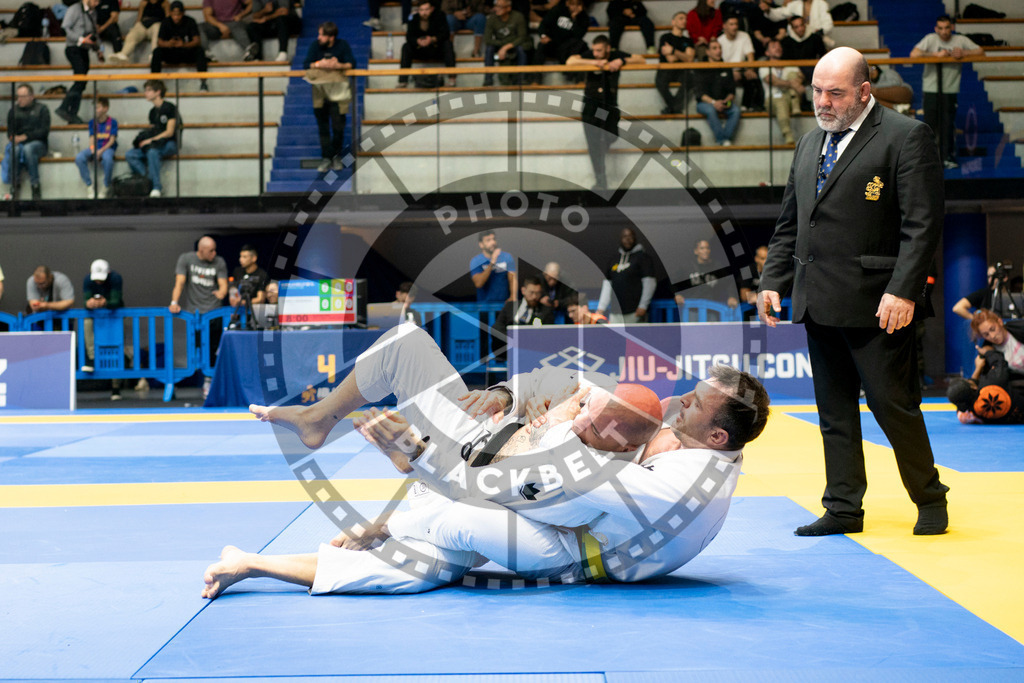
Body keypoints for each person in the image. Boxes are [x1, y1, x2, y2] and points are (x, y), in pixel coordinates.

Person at [206, 325, 769, 596]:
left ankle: (259, 562)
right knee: (404, 344)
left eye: (692, 404)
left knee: (452, 535)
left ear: (716, 435)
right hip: (528, 479)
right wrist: (506, 392)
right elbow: (572, 385)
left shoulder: (669, 492)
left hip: (571, 547)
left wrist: (416, 458)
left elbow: (509, 485)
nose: (678, 402)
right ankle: (318, 419)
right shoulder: (692, 437)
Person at [758, 47, 950, 537]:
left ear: (864, 91)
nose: (823, 102)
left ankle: (930, 499)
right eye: (817, 92)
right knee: (833, 412)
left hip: (879, 304)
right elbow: (791, 225)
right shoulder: (808, 144)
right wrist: (773, 281)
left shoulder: (906, 136)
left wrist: (903, 290)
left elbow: (922, 226)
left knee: (894, 407)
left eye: (835, 93)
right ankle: (843, 507)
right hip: (817, 299)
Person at [567, 35, 645, 191]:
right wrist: (594, 63)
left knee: (611, 135)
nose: (595, 53)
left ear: (608, 49)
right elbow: (570, 61)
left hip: (609, 104)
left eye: (599, 50)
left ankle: (604, 144)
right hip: (590, 105)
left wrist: (621, 61)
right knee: (593, 144)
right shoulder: (591, 56)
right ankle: (600, 180)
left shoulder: (616, 55)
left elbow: (641, 59)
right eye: (594, 50)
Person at [910, 15, 984, 169]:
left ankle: (947, 157)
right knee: (930, 124)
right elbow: (914, 54)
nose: (944, 31)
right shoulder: (930, 39)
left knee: (947, 124)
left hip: (950, 89)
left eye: (947, 28)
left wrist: (964, 53)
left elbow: (981, 51)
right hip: (930, 89)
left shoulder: (960, 40)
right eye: (941, 28)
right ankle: (928, 159)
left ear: (952, 28)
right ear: (936, 29)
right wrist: (934, 55)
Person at [169, 235, 228, 397]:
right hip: (195, 314)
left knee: (213, 348)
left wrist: (222, 293)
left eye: (215, 250)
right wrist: (174, 301)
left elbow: (223, 285)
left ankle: (209, 382)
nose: (214, 254)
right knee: (196, 348)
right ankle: (181, 379)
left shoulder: (219, 262)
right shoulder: (186, 259)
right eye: (210, 251)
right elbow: (180, 282)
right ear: (201, 250)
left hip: (214, 312)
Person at [302, 21, 355, 173]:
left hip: (338, 93)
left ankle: (335, 155)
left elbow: (352, 63)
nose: (318, 37)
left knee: (338, 127)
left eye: (321, 35)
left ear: (331, 37)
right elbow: (306, 64)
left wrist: (338, 65)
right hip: (320, 92)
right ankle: (327, 158)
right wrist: (320, 63)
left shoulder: (342, 45)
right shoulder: (315, 46)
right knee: (323, 127)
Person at [81, 259, 127, 398]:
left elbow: (116, 301)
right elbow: (86, 301)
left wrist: (106, 302)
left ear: (108, 273)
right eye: (96, 279)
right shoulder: (88, 280)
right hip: (95, 317)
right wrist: (89, 303)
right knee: (87, 323)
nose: (98, 282)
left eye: (102, 279)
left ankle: (116, 387)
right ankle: (92, 358)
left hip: (113, 316)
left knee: (114, 348)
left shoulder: (116, 278)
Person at [126, 79, 180, 198]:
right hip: (157, 142)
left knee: (152, 152)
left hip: (170, 143)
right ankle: (148, 179)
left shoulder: (170, 108)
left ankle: (156, 187)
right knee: (131, 154)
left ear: (158, 92)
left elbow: (169, 132)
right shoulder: (152, 112)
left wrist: (151, 141)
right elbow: (153, 131)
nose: (146, 93)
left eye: (149, 90)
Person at [596, 227, 656, 323]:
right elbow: (607, 285)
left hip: (635, 312)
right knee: (615, 338)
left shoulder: (643, 258)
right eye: (625, 236)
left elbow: (649, 283)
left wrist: (643, 306)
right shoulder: (614, 259)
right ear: (620, 239)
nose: (628, 239)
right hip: (615, 312)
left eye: (630, 236)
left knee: (635, 338)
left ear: (635, 238)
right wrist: (601, 308)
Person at [55, 0, 101, 126]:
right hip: (73, 48)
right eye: (95, 0)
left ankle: (71, 114)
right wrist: (80, 39)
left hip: (84, 50)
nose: (97, 3)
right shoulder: (75, 9)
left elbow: (94, 33)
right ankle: (65, 109)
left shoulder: (93, 12)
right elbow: (65, 27)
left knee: (82, 82)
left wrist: (98, 49)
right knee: (80, 79)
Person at [2, 84, 50, 202]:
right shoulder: (13, 111)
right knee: (15, 150)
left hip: (39, 143)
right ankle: (14, 184)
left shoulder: (42, 109)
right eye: (18, 96)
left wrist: (26, 137)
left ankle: (35, 186)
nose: (19, 99)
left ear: (31, 96)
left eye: (23, 96)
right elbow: (10, 132)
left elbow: (44, 131)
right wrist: (14, 138)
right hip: (19, 144)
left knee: (28, 148)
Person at [492, 275, 555, 360]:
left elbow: (547, 335)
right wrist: (513, 340)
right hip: (508, 347)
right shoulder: (510, 306)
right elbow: (498, 326)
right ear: (523, 291)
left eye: (538, 293)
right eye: (531, 292)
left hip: (532, 350)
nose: (534, 297)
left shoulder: (545, 311)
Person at [398, 1, 457, 88]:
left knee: (448, 45)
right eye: (421, 10)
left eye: (426, 9)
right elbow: (409, 36)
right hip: (419, 49)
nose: (424, 12)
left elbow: (445, 34)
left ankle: (452, 79)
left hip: (435, 49)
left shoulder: (439, 16)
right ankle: (403, 81)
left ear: (431, 9)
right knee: (406, 47)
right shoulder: (413, 18)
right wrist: (417, 41)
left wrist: (432, 39)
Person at [675, 238, 738, 318]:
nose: (705, 251)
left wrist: (732, 296)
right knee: (693, 330)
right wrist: (677, 294)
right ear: (696, 251)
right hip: (692, 308)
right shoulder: (687, 267)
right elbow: (675, 282)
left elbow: (729, 282)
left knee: (712, 330)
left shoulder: (716, 266)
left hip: (713, 307)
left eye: (707, 248)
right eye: (702, 248)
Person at [151, 1, 208, 89]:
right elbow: (159, 42)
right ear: (170, 13)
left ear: (183, 13)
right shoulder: (166, 22)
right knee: (156, 52)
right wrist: (169, 43)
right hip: (171, 53)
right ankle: (154, 83)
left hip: (185, 52)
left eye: (178, 15)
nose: (176, 17)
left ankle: (203, 83)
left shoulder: (190, 21)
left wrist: (184, 44)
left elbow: (197, 41)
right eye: (174, 14)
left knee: (200, 51)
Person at [694, 39, 741, 146]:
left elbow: (732, 92)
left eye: (720, 48)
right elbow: (699, 93)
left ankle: (725, 138)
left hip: (725, 102)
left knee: (735, 110)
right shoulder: (700, 67)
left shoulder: (726, 67)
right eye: (714, 48)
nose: (718, 51)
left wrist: (726, 101)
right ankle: (722, 140)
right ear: (708, 52)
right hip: (705, 103)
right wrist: (714, 102)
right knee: (710, 110)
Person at [758, 38, 803, 144]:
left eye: (779, 46)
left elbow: (800, 78)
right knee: (781, 101)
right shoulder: (764, 67)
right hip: (772, 99)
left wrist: (794, 82)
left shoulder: (790, 65)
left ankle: (796, 105)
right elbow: (773, 81)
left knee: (792, 75)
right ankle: (788, 134)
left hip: (790, 98)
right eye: (774, 47)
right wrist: (791, 84)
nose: (778, 48)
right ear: (767, 52)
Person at [533, 0, 588, 84]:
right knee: (541, 46)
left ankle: (579, 80)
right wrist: (543, 36)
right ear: (567, 4)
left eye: (578, 4)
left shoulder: (584, 17)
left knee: (582, 46)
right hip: (553, 43)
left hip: (569, 46)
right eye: (572, 4)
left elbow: (578, 35)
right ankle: (536, 79)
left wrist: (574, 18)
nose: (575, 7)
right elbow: (543, 24)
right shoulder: (558, 10)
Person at [75, 96, 117, 199]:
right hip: (95, 147)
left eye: (98, 107)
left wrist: (101, 151)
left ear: (105, 108)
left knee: (108, 160)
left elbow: (112, 140)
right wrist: (93, 150)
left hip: (107, 148)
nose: (96, 110)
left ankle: (106, 186)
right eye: (95, 108)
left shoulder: (112, 122)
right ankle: (89, 185)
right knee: (79, 158)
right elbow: (92, 138)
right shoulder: (92, 122)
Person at [780, 14, 826, 108]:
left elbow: (823, 57)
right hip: (793, 71)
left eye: (801, 25)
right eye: (796, 27)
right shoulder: (786, 42)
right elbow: (784, 62)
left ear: (805, 25)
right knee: (792, 76)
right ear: (792, 29)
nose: (800, 29)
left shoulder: (815, 38)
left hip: (812, 70)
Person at [655, 11, 696, 115]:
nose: (684, 21)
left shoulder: (688, 40)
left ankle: (670, 108)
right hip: (666, 69)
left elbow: (690, 59)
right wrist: (683, 55)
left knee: (691, 79)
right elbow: (670, 59)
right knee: (660, 81)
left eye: (685, 19)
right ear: (673, 22)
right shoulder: (665, 37)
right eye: (681, 18)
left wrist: (673, 50)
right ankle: (675, 108)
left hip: (681, 70)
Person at [719, 15, 763, 112]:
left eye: (736, 24)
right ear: (724, 26)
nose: (734, 27)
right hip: (727, 72)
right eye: (731, 24)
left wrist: (750, 69)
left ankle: (747, 106)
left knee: (753, 78)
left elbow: (750, 55)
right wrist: (731, 73)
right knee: (728, 85)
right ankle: (728, 106)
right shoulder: (720, 41)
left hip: (742, 69)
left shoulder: (744, 36)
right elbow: (719, 62)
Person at [481, 0, 530, 87]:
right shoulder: (491, 19)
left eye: (500, 7)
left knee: (521, 49)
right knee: (489, 49)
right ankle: (488, 79)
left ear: (508, 8)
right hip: (500, 43)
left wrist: (505, 47)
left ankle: (522, 78)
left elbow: (522, 37)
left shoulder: (518, 17)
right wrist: (502, 45)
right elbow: (487, 39)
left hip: (514, 44)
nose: (497, 9)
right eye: (496, 6)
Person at [951, 266, 1022, 321]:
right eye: (989, 276)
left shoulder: (1013, 295)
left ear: (1004, 277)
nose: (991, 279)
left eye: (994, 276)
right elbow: (958, 308)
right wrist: (976, 320)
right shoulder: (983, 293)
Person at [970, 309, 1024, 378]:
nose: (992, 336)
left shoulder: (1020, 329)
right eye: (986, 334)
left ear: (1000, 322)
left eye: (993, 329)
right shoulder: (989, 351)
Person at [761, 0, 833, 48]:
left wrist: (819, 32)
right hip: (797, 41)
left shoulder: (821, 4)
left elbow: (828, 23)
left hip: (815, 40)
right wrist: (768, 11)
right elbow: (780, 13)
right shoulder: (795, 4)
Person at [470, 230, 517, 303]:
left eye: (494, 239)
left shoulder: (507, 257)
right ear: (481, 244)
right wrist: (492, 263)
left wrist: (513, 296)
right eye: (488, 240)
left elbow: (512, 278)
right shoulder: (476, 261)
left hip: (504, 304)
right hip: (484, 306)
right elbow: (479, 283)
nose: (493, 242)